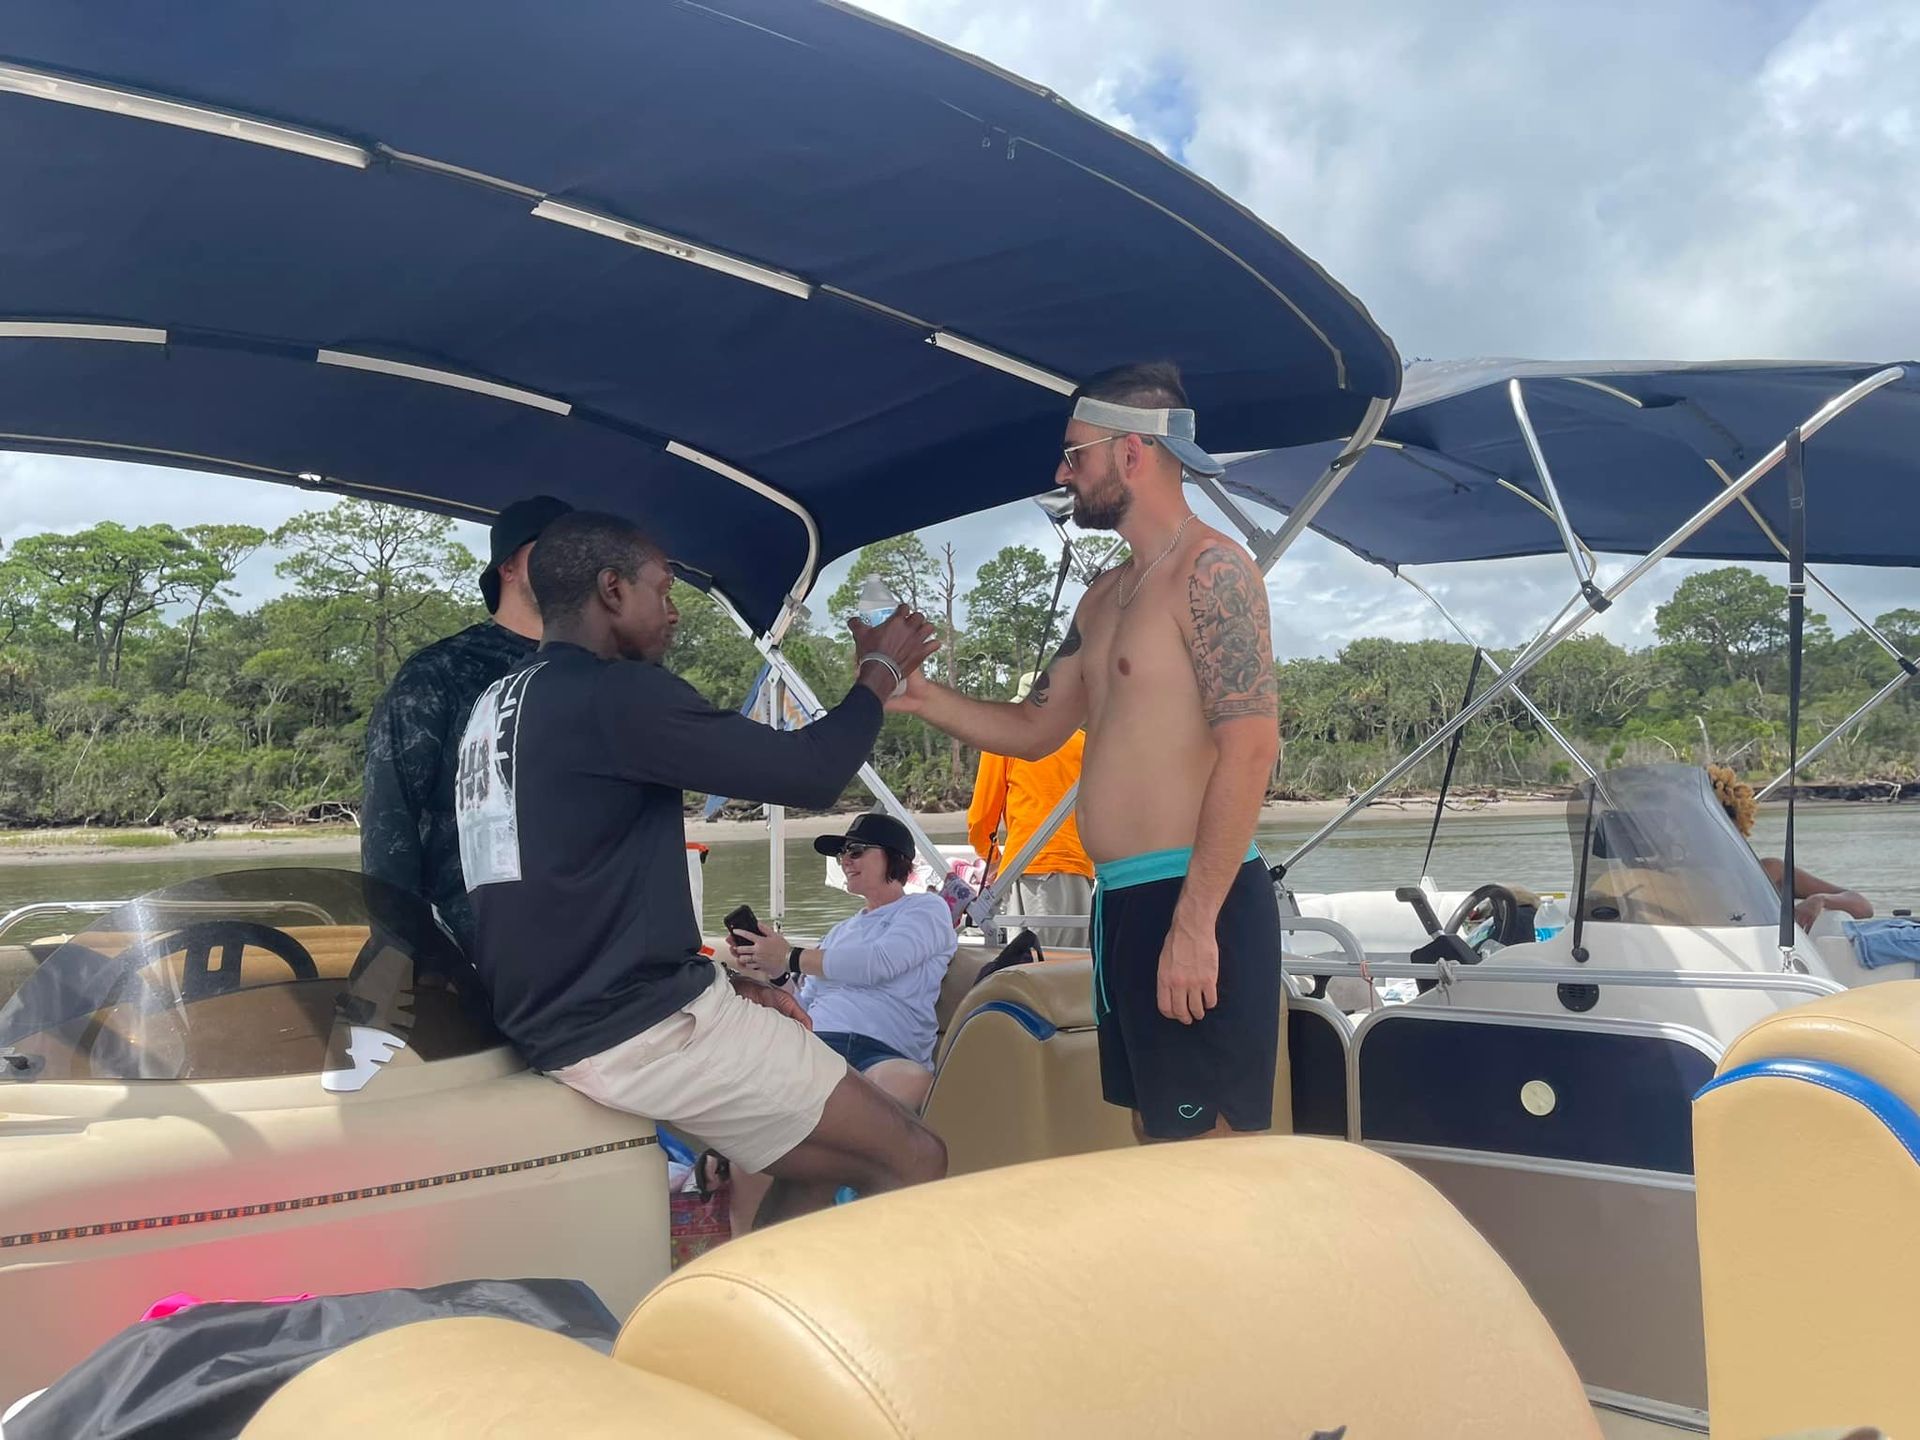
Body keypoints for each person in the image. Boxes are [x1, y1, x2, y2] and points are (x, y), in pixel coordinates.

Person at [453, 510, 947, 1230]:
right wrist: (880, 671)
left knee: (823, 1163)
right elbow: (813, 771)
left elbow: (563, 889)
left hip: (553, 1022)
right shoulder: (612, 695)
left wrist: (725, 978)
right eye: (663, 589)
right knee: (914, 1156)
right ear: (613, 590)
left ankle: (775, 1318)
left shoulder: (496, 705)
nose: (674, 613)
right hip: (641, 1028)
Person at [891, 362, 1282, 1142]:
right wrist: (921, 694)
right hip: (1122, 906)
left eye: (1076, 455)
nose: (1062, 472)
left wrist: (1196, 925)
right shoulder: (1104, 596)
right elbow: (1037, 728)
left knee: (1209, 1160)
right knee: (1153, 1134)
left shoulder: (1213, 570)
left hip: (1193, 898)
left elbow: (1251, 748)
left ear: (1132, 453)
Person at [726, 810, 958, 1235]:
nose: (844, 861)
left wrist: (792, 956)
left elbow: (880, 963)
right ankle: (747, 1260)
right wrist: (772, 971)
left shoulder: (925, 910)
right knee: (749, 1156)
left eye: (855, 852)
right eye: (840, 855)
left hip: (884, 1053)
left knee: (908, 1083)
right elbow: (806, 1004)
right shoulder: (838, 933)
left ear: (895, 858)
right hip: (821, 1046)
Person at [361, 495, 571, 952]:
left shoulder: (602, 675)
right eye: (552, 547)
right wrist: (400, 949)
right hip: (472, 946)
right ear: (508, 568)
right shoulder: (439, 672)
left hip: (583, 945)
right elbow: (388, 817)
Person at [967, 676, 1094, 948]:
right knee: (1074, 972)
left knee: (1031, 969)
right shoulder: (1084, 744)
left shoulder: (1005, 740)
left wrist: (993, 858)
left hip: (1032, 869)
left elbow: (981, 817)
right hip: (1082, 871)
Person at [1709, 764, 1874, 928]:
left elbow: (1862, 906)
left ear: (1738, 828)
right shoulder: (1684, 879)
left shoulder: (1770, 871)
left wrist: (1820, 899)